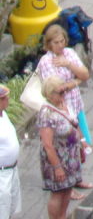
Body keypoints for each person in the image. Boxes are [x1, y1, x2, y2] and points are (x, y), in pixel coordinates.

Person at [38, 76, 85, 219]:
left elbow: (74, 124)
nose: (64, 94)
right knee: (58, 192)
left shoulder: (64, 104)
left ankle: (63, 217)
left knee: (67, 189)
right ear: (50, 94)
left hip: (70, 155)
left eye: (65, 91)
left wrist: (81, 142)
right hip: (57, 158)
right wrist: (57, 167)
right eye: (60, 92)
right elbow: (47, 144)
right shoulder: (47, 113)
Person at [0, 84, 21, 219]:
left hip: (12, 169)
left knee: (11, 207)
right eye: (5, 98)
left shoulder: (4, 114)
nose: (8, 100)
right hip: (2, 173)